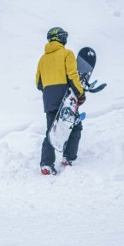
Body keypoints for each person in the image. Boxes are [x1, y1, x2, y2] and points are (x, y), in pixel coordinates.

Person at [36, 26, 86, 175]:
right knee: (75, 126)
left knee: (51, 131)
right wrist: (80, 94)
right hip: (65, 99)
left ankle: (46, 163)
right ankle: (68, 157)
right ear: (61, 38)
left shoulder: (42, 59)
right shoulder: (67, 54)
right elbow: (72, 76)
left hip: (49, 99)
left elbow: (39, 83)